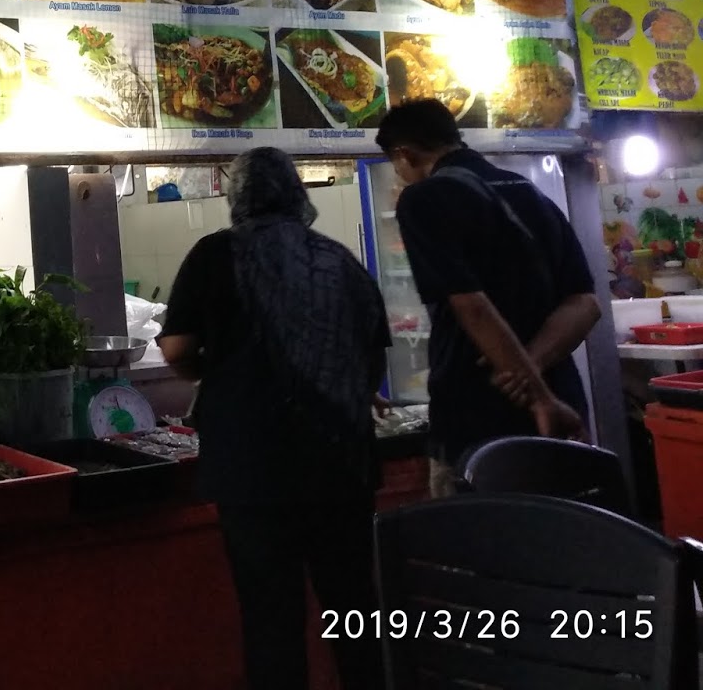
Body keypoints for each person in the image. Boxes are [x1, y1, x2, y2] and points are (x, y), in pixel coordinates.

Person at [158, 148, 389, 690]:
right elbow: (372, 354)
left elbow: (177, 349)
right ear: (296, 194)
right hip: (342, 465)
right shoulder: (337, 258)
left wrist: (215, 374)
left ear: (236, 197)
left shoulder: (216, 253)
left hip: (255, 472)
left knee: (272, 618)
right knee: (354, 610)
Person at [375, 99, 600, 496]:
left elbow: (471, 305)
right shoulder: (530, 193)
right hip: (562, 407)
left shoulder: (424, 197)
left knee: (482, 532)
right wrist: (532, 369)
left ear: (404, 155)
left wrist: (537, 396)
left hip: (478, 415)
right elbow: (585, 303)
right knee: (563, 528)